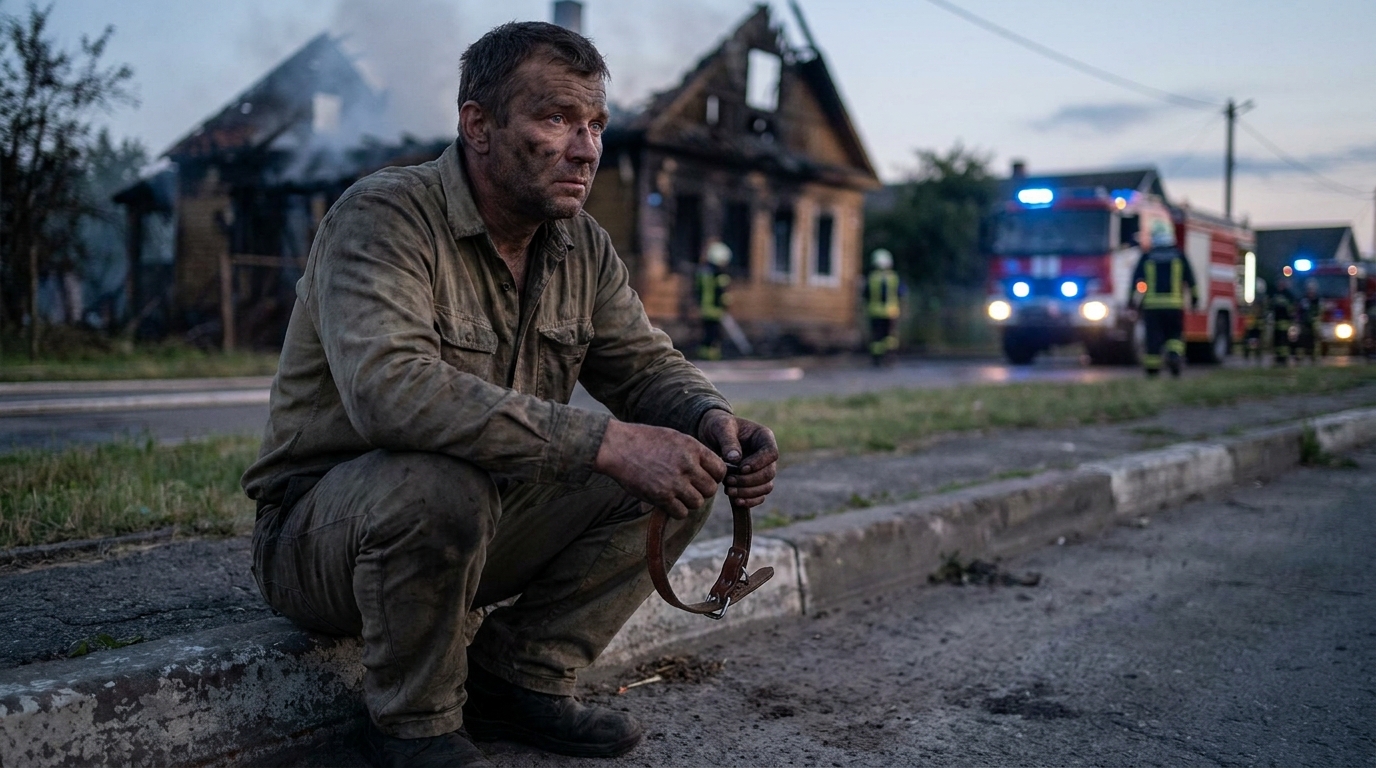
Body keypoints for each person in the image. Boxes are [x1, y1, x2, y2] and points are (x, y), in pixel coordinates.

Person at [241, 22, 779, 768]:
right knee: (440, 481)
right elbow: (391, 393)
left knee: (679, 470)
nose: (586, 149)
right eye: (556, 119)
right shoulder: (384, 216)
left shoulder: (580, 243)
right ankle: (414, 724)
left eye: (594, 124)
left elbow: (644, 366)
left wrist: (714, 421)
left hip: (478, 520)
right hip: (326, 534)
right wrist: (605, 440)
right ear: (478, 125)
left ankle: (518, 678)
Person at [1128, 220, 1196, 378]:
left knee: (1153, 338)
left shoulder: (1147, 256)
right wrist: (1195, 298)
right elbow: (1190, 279)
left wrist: (1131, 301)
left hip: (1152, 307)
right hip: (1174, 306)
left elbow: (1135, 281)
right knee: (1174, 336)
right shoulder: (1179, 256)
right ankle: (1174, 359)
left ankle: (1152, 370)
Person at [863, 248, 902, 366]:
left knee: (877, 337)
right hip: (891, 312)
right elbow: (900, 293)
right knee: (890, 337)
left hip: (875, 312)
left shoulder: (872, 278)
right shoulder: (893, 277)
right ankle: (890, 357)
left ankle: (876, 359)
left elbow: (866, 294)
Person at [695, 241, 732, 360]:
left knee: (708, 332)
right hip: (714, 309)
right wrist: (725, 303)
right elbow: (720, 293)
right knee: (713, 334)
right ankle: (711, 356)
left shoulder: (704, 272)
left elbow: (699, 291)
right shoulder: (718, 275)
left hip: (706, 308)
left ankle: (706, 354)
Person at [1270, 276, 1298, 366]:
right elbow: (1271, 306)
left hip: (1285, 323)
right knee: (1277, 342)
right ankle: (1278, 357)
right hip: (1276, 322)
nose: (1280, 285)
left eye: (1281, 283)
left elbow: (1292, 308)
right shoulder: (1275, 294)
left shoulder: (1288, 295)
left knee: (1284, 342)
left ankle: (1284, 359)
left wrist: (1291, 317)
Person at [1295, 277, 1323, 363]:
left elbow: (1320, 312)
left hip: (1314, 325)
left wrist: (1316, 320)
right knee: (1302, 340)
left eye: (1312, 289)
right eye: (1309, 289)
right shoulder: (1303, 300)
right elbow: (1299, 311)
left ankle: (1314, 358)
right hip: (1304, 324)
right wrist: (1298, 320)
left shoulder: (1317, 300)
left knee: (1314, 342)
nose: (1310, 291)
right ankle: (1300, 357)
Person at [1242, 278, 1268, 363]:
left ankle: (1250, 354)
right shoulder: (1262, 298)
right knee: (1256, 340)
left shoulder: (1258, 298)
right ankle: (1254, 355)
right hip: (1255, 322)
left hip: (1254, 322)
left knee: (1252, 339)